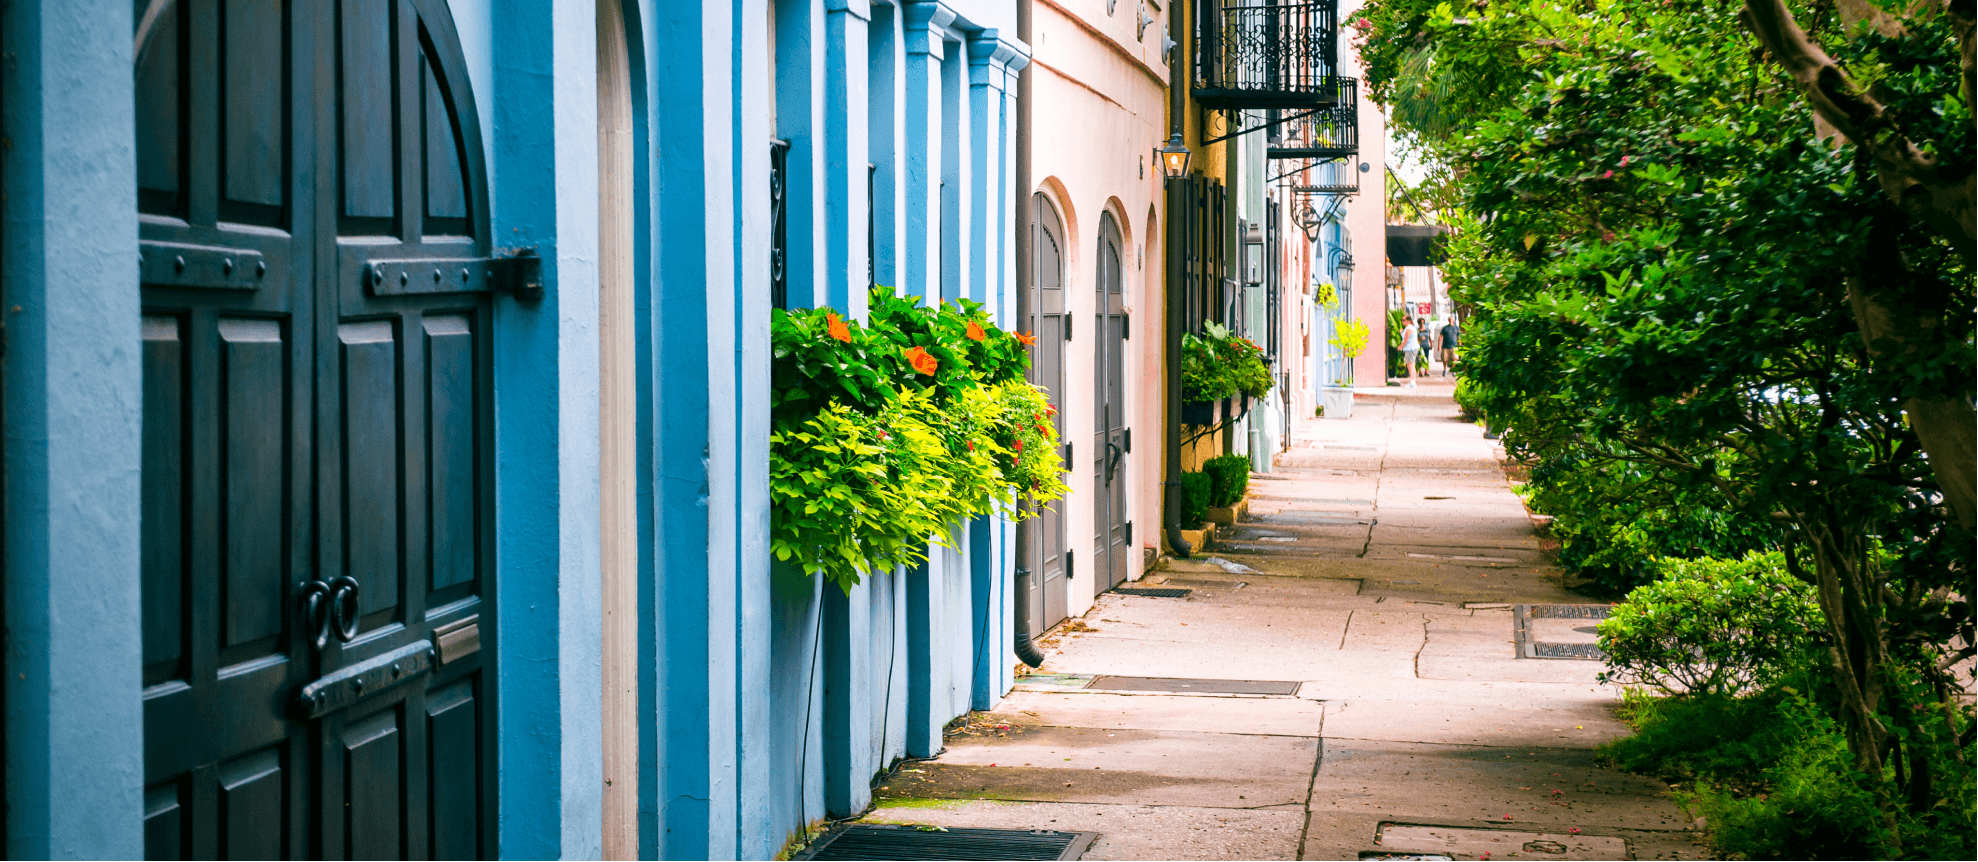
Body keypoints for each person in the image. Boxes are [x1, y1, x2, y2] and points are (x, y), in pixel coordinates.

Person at [1399, 316, 1420, 386]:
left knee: (1411, 365)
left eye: (1404, 320)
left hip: (1410, 349)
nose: (1402, 321)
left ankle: (1413, 383)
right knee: (1410, 364)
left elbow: (1405, 340)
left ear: (1409, 321)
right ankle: (1412, 382)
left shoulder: (1409, 329)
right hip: (1411, 348)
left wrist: (1400, 347)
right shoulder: (1410, 328)